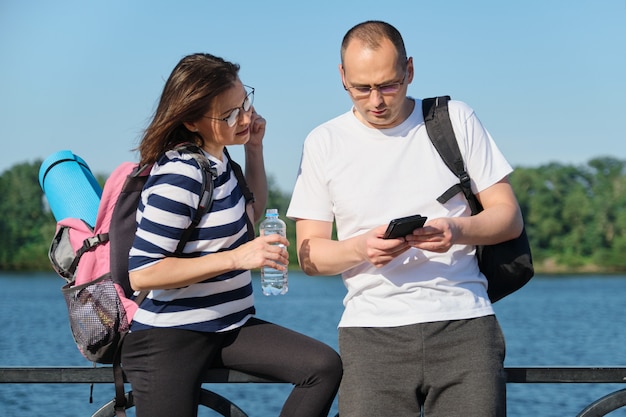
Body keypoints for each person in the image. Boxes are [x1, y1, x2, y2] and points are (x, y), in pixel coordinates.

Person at [287, 21, 524, 417]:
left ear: (410, 70)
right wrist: (361, 248)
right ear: (342, 76)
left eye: (389, 85)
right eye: (361, 88)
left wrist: (458, 230)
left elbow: (508, 217)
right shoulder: (323, 142)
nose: (375, 100)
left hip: (464, 326)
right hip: (369, 337)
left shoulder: (455, 119)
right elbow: (309, 257)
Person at [121, 53, 342, 417]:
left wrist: (254, 148)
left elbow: (248, 214)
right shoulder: (180, 174)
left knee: (322, 367)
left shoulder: (222, 162)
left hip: (229, 325)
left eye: (246, 103)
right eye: (229, 114)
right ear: (191, 121)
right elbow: (143, 272)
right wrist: (239, 258)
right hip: (169, 338)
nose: (245, 117)